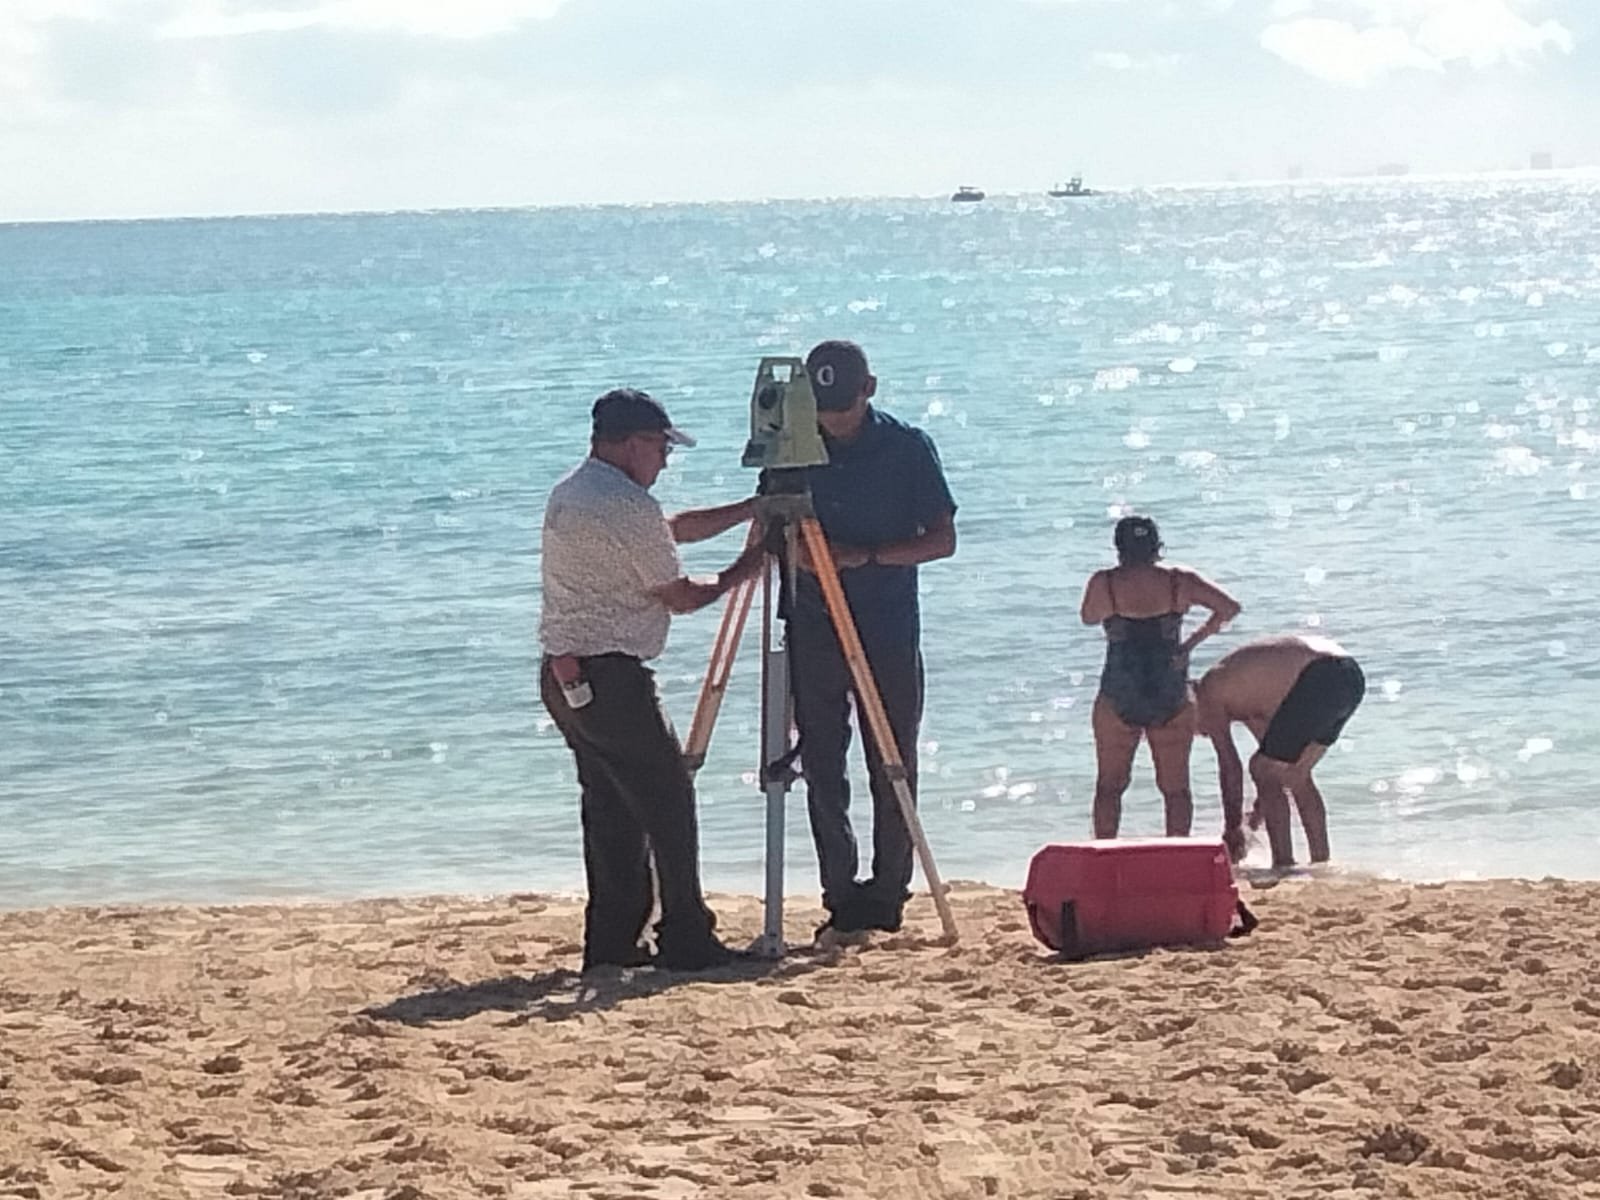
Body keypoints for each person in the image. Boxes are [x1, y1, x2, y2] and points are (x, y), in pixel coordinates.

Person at [539, 388, 763, 973]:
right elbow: (681, 595)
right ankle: (685, 934)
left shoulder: (576, 490)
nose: (665, 460)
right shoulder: (622, 504)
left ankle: (612, 940)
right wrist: (749, 566)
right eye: (662, 448)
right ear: (634, 444)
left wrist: (749, 509)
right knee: (667, 802)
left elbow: (670, 530)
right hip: (610, 676)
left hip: (566, 674)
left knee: (611, 808)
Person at [787, 340, 958, 936]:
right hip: (812, 622)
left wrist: (864, 557)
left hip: (886, 623)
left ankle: (888, 895)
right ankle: (839, 892)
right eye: (822, 408)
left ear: (870, 389)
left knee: (893, 761)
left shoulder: (907, 447)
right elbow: (769, 525)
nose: (833, 420)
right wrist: (791, 554)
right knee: (821, 760)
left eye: (843, 405)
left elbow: (941, 540)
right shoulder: (792, 448)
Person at [1079, 515, 1240, 841]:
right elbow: (1229, 608)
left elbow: (1088, 617)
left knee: (1109, 787)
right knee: (1175, 789)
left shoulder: (1104, 583)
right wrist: (1190, 644)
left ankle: (1105, 855)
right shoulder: (1179, 581)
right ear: (1157, 546)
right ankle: (1176, 855)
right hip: (1170, 690)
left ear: (1119, 548)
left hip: (1119, 690)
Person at [1194, 634, 1366, 869]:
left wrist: (1232, 828)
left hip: (1320, 674)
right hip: (1350, 676)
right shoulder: (1247, 699)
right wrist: (1252, 824)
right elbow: (1275, 767)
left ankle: (1283, 863)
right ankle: (1321, 862)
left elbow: (1230, 767)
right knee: (1296, 773)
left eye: (1192, 730)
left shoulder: (1207, 693)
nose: (1200, 735)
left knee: (1262, 768)